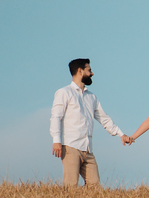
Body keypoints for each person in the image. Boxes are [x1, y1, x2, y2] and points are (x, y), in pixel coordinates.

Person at [50, 58, 132, 187]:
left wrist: (121, 134)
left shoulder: (91, 97)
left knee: (95, 187)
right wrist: (56, 141)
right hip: (70, 146)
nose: (92, 73)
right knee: (71, 186)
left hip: (87, 149)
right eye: (89, 70)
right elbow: (56, 117)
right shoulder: (64, 92)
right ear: (80, 71)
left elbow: (104, 118)